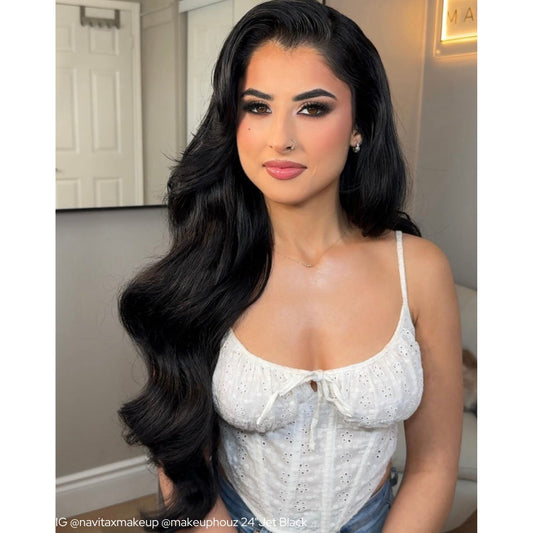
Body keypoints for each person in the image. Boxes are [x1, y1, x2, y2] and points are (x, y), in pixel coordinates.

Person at [118, 1, 463, 532]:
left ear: (359, 124)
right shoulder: (201, 272)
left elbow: (434, 464)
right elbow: (180, 453)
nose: (280, 137)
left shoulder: (419, 270)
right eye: (257, 107)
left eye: (313, 108)